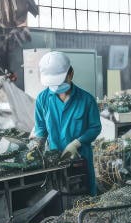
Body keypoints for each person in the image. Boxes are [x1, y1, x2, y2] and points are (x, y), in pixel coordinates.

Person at [32, 51, 101, 195]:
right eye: (53, 83)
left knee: (84, 198)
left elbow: (95, 128)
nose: (56, 87)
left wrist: (76, 143)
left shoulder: (86, 100)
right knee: (57, 199)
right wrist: (37, 145)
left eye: (60, 81)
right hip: (54, 162)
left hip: (80, 159)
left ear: (71, 74)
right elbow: (41, 128)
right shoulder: (42, 99)